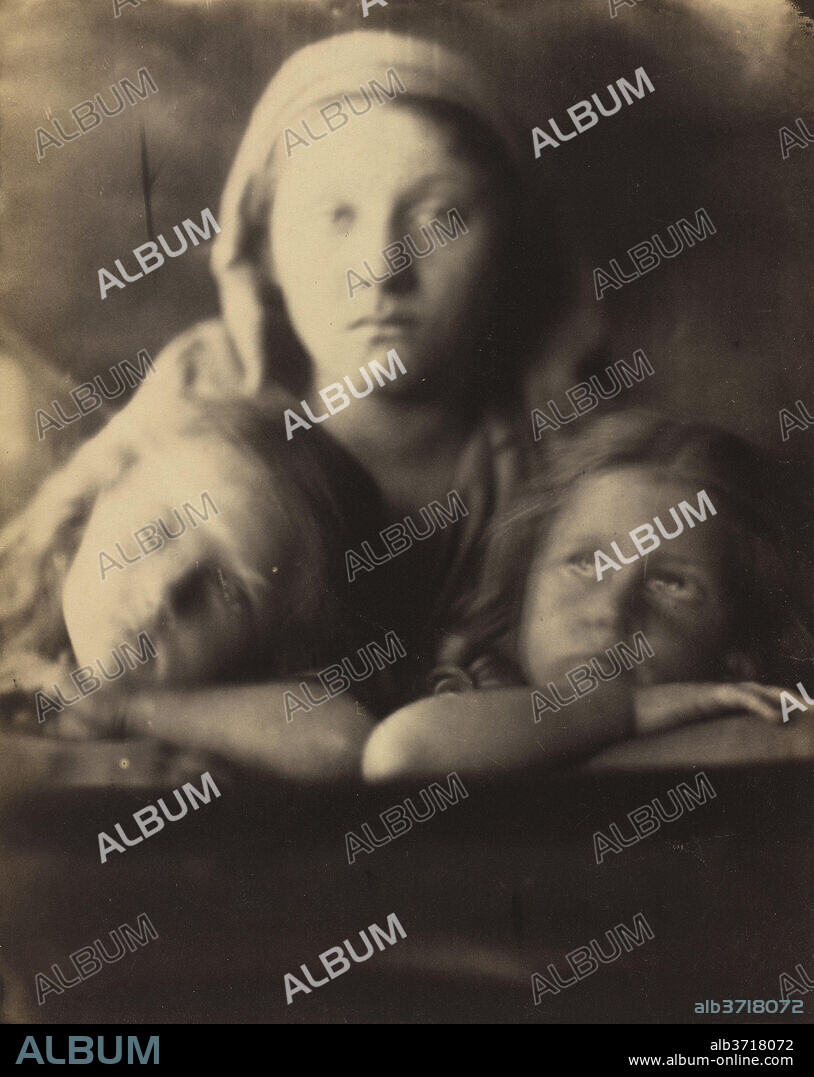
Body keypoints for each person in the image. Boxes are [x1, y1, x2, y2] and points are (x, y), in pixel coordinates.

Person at [0, 30, 561, 778]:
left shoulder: (533, 467)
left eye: (440, 218)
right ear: (261, 246)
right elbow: (52, 559)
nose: (382, 270)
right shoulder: (202, 388)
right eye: (335, 217)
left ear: (510, 247)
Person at [363, 409, 814, 780]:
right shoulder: (469, 700)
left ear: (739, 644)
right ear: (523, 589)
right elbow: (404, 752)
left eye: (671, 584)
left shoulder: (770, 732)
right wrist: (631, 711)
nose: (609, 611)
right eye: (585, 563)